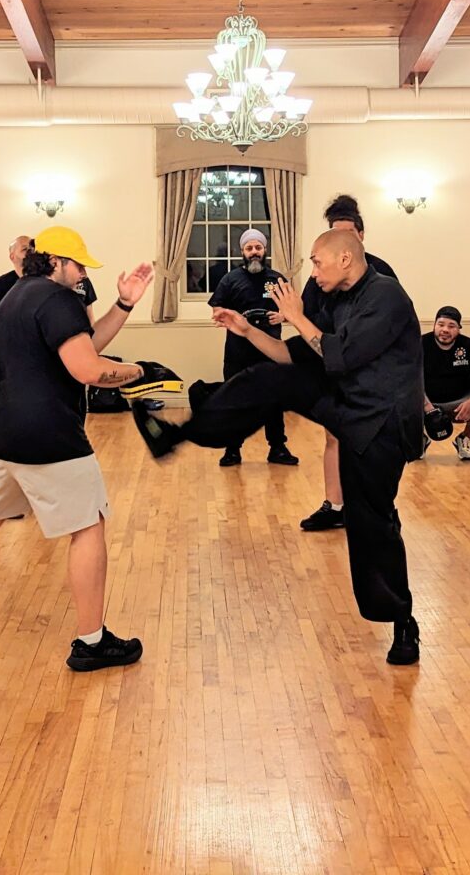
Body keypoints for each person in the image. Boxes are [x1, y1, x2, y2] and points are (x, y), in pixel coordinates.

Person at [133, 229, 425, 666]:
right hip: (348, 405)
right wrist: (247, 330)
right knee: (268, 380)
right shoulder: (336, 300)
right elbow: (296, 356)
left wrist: (296, 315)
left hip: (383, 423)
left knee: (371, 523)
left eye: (317, 262)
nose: (313, 272)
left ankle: (403, 623)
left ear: (345, 259)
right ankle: (175, 435)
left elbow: (339, 355)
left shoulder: (386, 296)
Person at [0, 226, 166, 672]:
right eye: (78, 265)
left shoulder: (17, 294)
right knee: (88, 525)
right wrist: (139, 371)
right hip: (47, 435)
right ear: (56, 262)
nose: (83, 274)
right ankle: (91, 641)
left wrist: (124, 304)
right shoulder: (59, 299)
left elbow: (82, 345)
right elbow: (88, 369)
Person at [299, 195, 402, 532]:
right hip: (334, 364)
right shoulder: (319, 277)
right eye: (335, 233)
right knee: (334, 436)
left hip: (373, 373)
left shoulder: (382, 275)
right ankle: (335, 504)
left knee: (372, 442)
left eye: (347, 233)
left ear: (360, 235)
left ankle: (378, 507)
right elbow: (308, 319)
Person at [205, 227, 298, 468]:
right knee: (234, 401)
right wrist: (229, 317)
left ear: (265, 250)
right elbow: (217, 308)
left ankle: (277, 448)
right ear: (242, 251)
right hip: (238, 353)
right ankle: (232, 450)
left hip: (271, 351)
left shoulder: (277, 279)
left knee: (273, 400)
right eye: (249, 248)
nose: (254, 251)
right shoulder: (230, 280)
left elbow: (293, 309)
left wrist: (282, 316)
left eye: (258, 247)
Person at [0, 234, 97, 351]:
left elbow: (88, 317)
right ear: (12, 256)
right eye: (25, 249)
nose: (31, 252)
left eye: (33, 249)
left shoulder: (69, 280)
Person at [421, 306, 470, 461]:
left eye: (451, 326)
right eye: (441, 324)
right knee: (397, 407)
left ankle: (464, 439)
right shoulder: (419, 345)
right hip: (425, 402)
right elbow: (409, 380)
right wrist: (428, 408)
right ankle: (419, 440)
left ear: (459, 328)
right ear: (434, 325)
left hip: (460, 402)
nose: (445, 330)